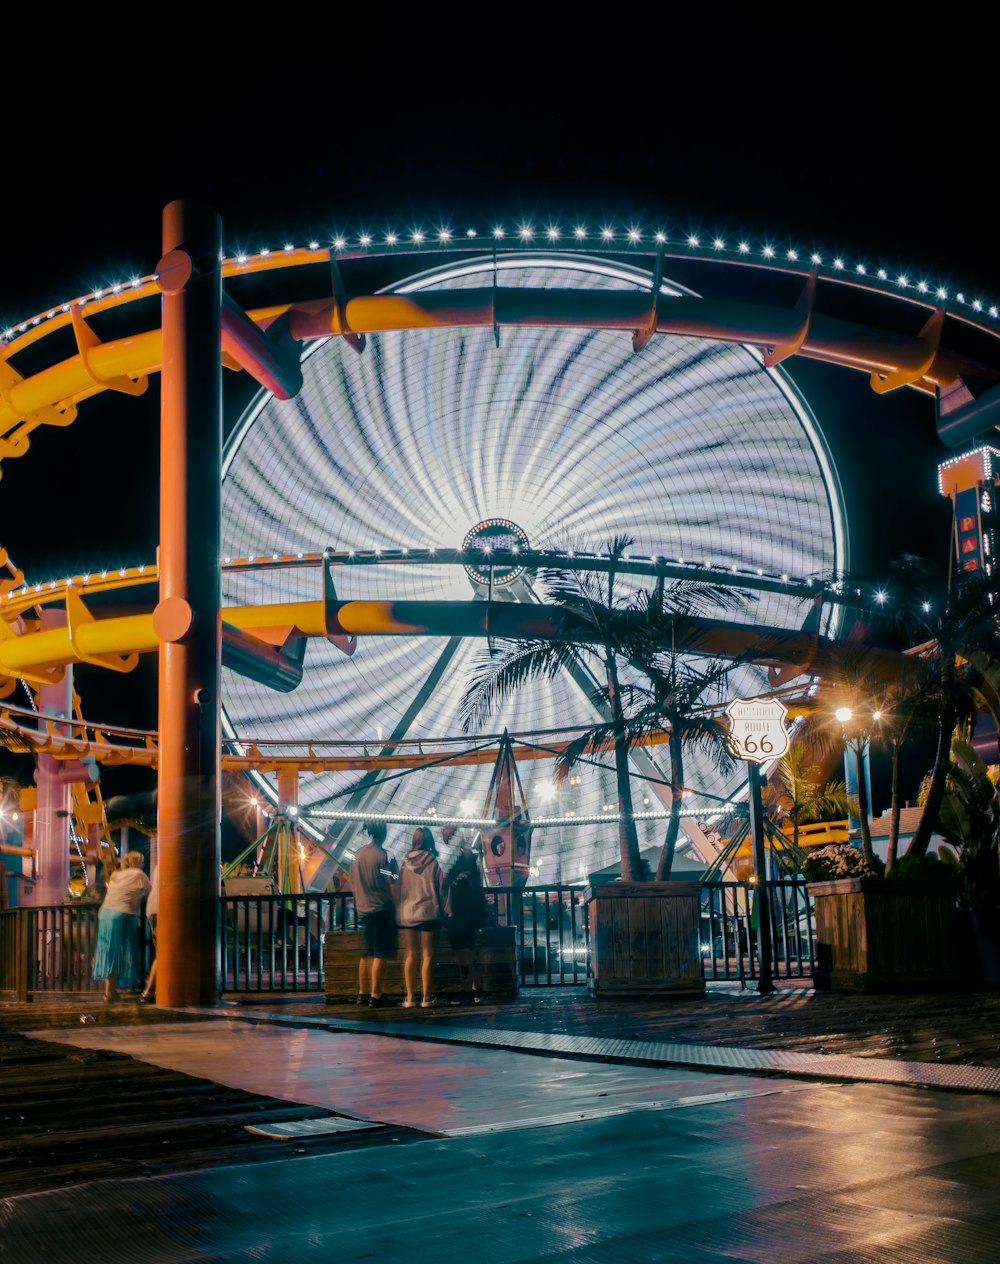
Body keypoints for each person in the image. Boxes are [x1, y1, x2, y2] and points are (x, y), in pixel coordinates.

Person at [397, 826, 449, 1008]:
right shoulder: (433, 863)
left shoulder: (404, 864)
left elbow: (399, 889)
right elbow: (441, 889)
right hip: (428, 913)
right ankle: (427, 997)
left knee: (410, 955)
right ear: (429, 841)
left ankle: (410, 998)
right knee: (428, 956)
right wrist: (446, 911)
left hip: (408, 913)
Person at [92, 851, 151, 1002]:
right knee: (121, 953)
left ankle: (109, 991)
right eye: (142, 861)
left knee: (109, 951)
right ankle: (114, 991)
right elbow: (150, 891)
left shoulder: (116, 874)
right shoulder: (139, 874)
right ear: (137, 862)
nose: (143, 864)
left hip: (105, 913)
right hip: (122, 914)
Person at [350, 821, 397, 1007]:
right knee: (380, 954)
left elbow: (353, 882)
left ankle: (362, 993)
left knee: (366, 954)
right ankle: (376, 995)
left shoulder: (358, 854)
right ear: (383, 833)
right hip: (382, 909)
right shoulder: (384, 856)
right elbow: (391, 882)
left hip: (364, 909)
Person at [447, 831, 488, 1004]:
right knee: (470, 953)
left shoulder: (460, 865)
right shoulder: (473, 864)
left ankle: (467, 990)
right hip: (470, 915)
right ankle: (476, 987)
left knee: (463, 954)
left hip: (461, 915)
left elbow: (454, 889)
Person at [139, 861, 159, 1003]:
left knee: (161, 952)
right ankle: (149, 991)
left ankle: (153, 990)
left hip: (152, 909)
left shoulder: (159, 866)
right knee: (164, 953)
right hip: (162, 908)